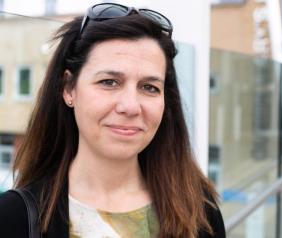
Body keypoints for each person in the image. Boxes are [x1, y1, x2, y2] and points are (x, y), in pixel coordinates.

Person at [0, 3, 226, 238]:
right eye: (109, 82)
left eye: (149, 87)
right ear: (69, 89)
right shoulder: (13, 218)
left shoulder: (199, 211)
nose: (130, 106)